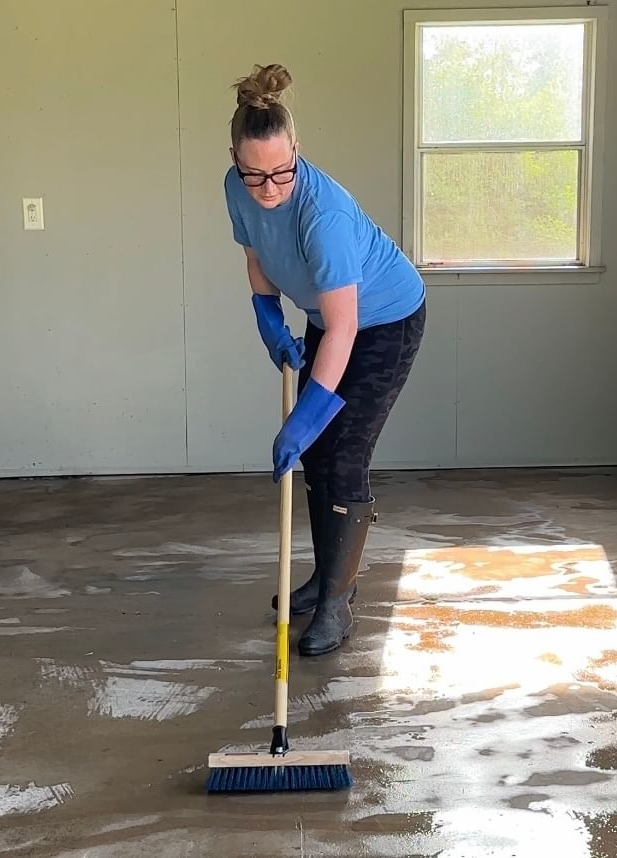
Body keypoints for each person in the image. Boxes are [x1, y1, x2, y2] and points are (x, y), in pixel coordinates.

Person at [223, 63, 427, 657]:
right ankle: (325, 576)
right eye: (254, 173)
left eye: (282, 171)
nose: (268, 188)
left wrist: (307, 414)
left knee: (342, 453)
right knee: (316, 453)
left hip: (383, 323)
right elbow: (256, 250)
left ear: (298, 153)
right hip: (328, 322)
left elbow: (344, 329)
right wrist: (266, 313)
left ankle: (338, 603)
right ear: (235, 158)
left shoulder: (325, 216)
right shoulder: (239, 186)